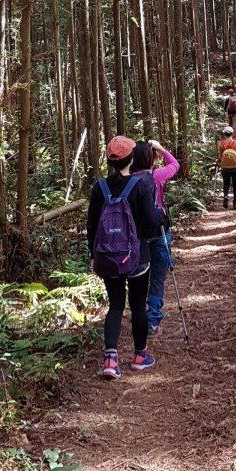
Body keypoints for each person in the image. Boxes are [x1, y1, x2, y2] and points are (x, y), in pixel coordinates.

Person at [87, 135, 165, 380]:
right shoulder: (141, 185)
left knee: (116, 305)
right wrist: (161, 215)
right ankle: (140, 356)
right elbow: (152, 222)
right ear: (132, 158)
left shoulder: (99, 187)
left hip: (107, 257)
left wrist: (93, 255)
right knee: (138, 305)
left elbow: (91, 225)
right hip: (137, 255)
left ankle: (111, 359)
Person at [131, 139, 180, 336]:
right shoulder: (157, 176)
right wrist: (162, 149)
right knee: (158, 278)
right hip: (159, 232)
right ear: (152, 158)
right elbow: (175, 165)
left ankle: (139, 316)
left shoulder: (129, 180)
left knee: (138, 278)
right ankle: (152, 321)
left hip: (137, 236)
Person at [217, 125, 236, 210]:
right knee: (235, 185)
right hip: (235, 168)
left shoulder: (221, 144)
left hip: (225, 168)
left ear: (224, 134)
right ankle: (235, 203)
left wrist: (218, 162)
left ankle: (225, 196)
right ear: (232, 134)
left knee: (226, 184)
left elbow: (220, 158)